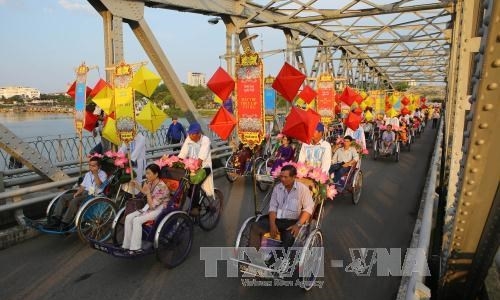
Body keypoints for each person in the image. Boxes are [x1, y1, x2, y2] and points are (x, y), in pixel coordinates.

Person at [249, 165, 315, 251]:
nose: (282, 179)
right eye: (281, 176)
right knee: (255, 227)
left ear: (293, 177)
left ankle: (273, 262)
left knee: (289, 238)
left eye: (285, 177)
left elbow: (308, 209)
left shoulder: (302, 189)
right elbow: (273, 208)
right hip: (276, 220)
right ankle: (252, 256)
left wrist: (297, 225)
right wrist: (272, 225)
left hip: (291, 222)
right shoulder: (277, 188)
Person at [122, 164, 170, 253]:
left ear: (156, 175)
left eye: (148, 174)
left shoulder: (162, 187)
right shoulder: (149, 182)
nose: (146, 175)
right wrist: (136, 186)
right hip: (149, 205)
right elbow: (144, 191)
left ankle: (136, 248)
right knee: (129, 217)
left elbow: (152, 206)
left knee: (137, 220)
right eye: (146, 173)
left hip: (159, 209)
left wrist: (148, 193)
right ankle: (127, 245)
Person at [50, 157, 108, 229]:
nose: (91, 167)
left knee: (74, 201)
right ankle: (56, 218)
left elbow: (99, 185)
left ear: (99, 166)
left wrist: (96, 174)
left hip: (94, 195)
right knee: (63, 197)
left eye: (94, 166)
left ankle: (65, 222)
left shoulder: (103, 174)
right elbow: (82, 186)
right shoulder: (88, 174)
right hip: (84, 192)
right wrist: (77, 193)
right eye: (90, 165)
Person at [178, 122, 214, 214]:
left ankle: (195, 207)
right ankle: (195, 200)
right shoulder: (189, 138)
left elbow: (202, 155)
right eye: (189, 134)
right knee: (184, 185)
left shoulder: (205, 140)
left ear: (198, 134)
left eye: (192, 134)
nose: (190, 136)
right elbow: (183, 152)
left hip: (204, 167)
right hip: (191, 166)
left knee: (195, 183)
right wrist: (178, 163)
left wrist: (197, 166)